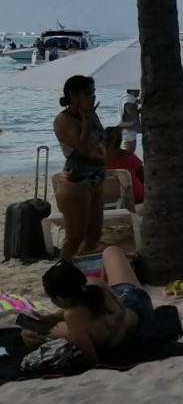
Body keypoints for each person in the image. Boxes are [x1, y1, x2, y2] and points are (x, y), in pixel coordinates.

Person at [21, 247, 154, 365]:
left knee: (56, 332)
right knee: (110, 251)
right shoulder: (92, 283)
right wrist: (56, 316)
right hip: (137, 301)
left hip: (133, 334)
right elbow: (86, 305)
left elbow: (91, 360)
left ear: (59, 298)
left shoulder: (73, 316)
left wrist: (43, 342)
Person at [53, 75, 107, 259]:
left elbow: (99, 141)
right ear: (72, 95)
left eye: (93, 92)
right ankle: (62, 274)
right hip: (76, 182)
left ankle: (80, 270)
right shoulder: (63, 120)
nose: (91, 97)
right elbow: (82, 146)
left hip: (96, 179)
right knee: (75, 236)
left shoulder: (92, 114)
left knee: (94, 235)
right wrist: (85, 116)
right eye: (86, 93)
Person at [103, 127, 145, 207]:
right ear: (120, 141)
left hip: (108, 201)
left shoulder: (95, 160)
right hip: (138, 199)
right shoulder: (128, 156)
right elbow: (143, 176)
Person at [117, 89, 141, 153]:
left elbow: (132, 112)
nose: (139, 91)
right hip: (128, 128)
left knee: (130, 150)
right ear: (133, 91)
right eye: (138, 90)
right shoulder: (129, 98)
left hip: (129, 127)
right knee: (129, 151)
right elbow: (130, 111)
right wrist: (136, 103)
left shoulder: (127, 98)